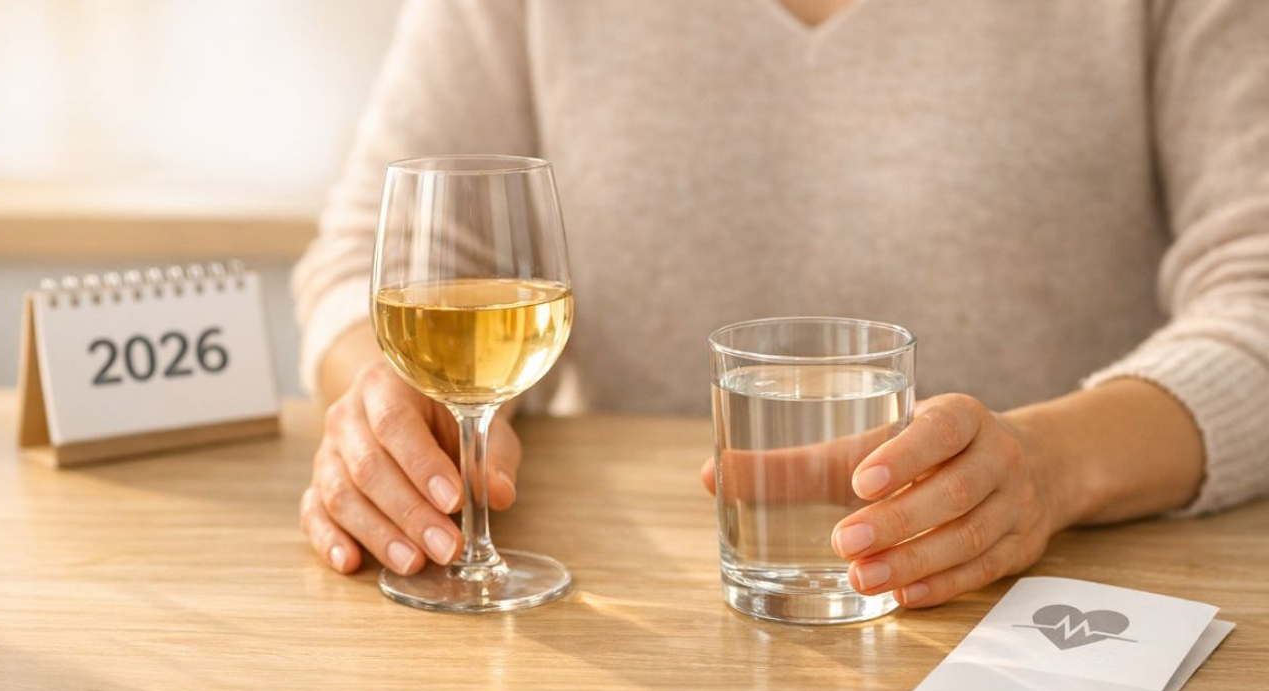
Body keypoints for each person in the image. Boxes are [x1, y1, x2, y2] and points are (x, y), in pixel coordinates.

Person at [292, 0, 1269, 608]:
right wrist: (387, 405)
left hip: (1051, 603)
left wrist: (1052, 466)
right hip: (630, 614)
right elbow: (369, 259)